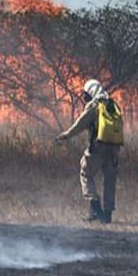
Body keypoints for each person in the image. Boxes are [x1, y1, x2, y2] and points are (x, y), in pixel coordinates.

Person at [56, 79, 124, 223]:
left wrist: (66, 135)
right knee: (109, 180)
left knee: (85, 173)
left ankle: (95, 208)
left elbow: (80, 124)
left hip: (99, 146)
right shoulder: (112, 104)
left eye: (86, 94)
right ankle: (107, 215)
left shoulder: (94, 106)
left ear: (91, 92)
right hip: (114, 148)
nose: (85, 97)